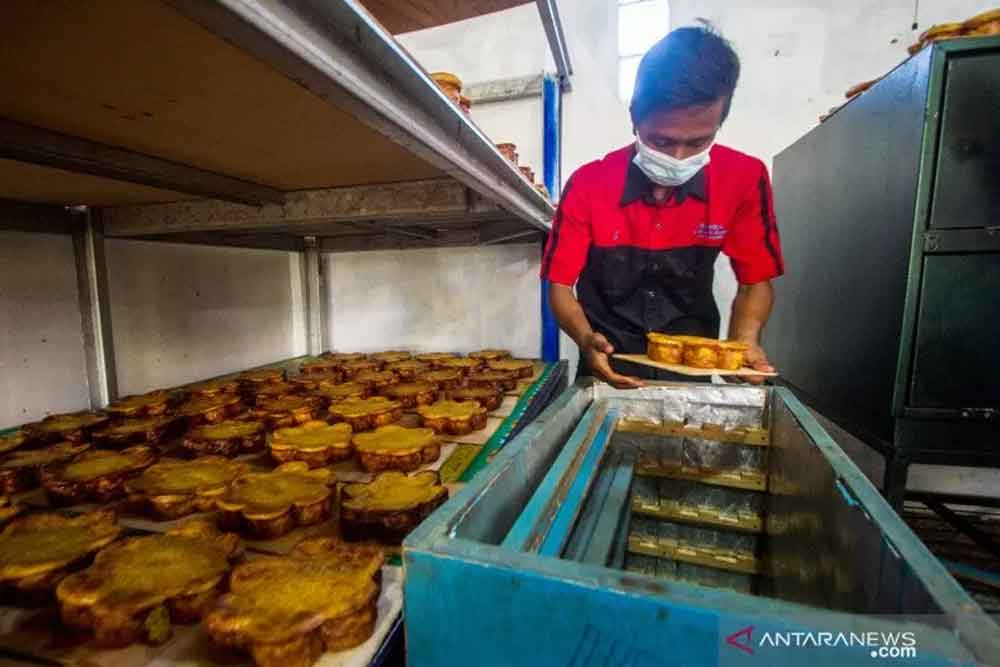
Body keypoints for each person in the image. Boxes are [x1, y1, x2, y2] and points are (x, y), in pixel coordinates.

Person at [541, 24, 784, 388]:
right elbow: (560, 285)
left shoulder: (743, 179)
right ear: (635, 115)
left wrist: (744, 343)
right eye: (661, 140)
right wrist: (584, 339)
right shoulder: (589, 184)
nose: (678, 156)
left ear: (720, 121)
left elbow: (755, 283)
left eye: (699, 141)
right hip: (606, 366)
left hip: (691, 370)